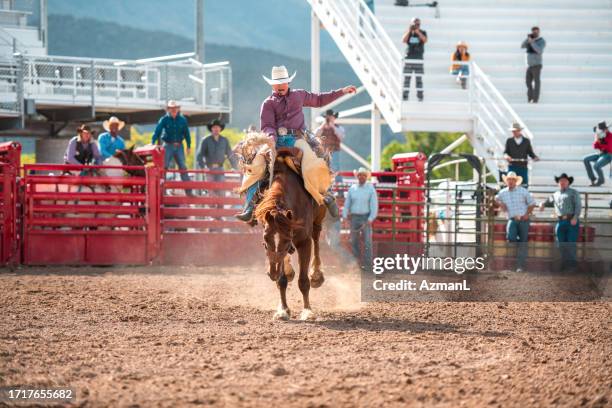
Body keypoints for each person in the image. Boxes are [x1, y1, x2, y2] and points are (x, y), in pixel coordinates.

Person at [234, 65, 356, 222]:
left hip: (297, 138)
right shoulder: (268, 104)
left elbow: (319, 100)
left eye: (283, 82)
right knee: (256, 165)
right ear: (272, 85)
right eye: (277, 83)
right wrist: (271, 138)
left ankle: (327, 195)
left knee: (313, 161)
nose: (280, 86)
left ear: (288, 83)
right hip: (275, 140)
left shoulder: (299, 95)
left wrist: (342, 92)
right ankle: (250, 206)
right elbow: (267, 126)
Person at [495, 172, 537, 272]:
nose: (510, 181)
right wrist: (501, 204)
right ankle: (520, 256)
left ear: (516, 181)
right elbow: (495, 198)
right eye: (509, 179)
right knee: (511, 237)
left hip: (523, 219)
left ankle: (520, 266)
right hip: (512, 219)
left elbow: (532, 203)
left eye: (513, 180)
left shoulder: (523, 191)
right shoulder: (503, 192)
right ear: (507, 181)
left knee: (521, 241)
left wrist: (527, 214)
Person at [539, 173, 582, 270]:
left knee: (571, 243)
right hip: (560, 221)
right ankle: (565, 264)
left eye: (564, 181)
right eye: (560, 181)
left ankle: (572, 266)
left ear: (568, 182)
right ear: (558, 183)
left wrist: (575, 217)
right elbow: (548, 201)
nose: (562, 182)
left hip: (571, 220)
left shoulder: (574, 192)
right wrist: (542, 204)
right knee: (561, 244)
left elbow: (578, 205)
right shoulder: (555, 194)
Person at [151, 100, 193, 196]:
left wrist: (188, 145)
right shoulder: (164, 119)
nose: (174, 110)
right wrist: (152, 142)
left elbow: (186, 133)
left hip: (179, 145)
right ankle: (161, 191)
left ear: (178, 109)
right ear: (169, 109)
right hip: (168, 144)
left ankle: (189, 192)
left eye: (175, 108)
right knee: (164, 167)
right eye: (172, 108)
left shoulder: (182, 120)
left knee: (183, 167)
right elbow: (157, 131)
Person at [342, 167, 378, 270]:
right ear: (357, 176)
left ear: (366, 177)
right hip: (354, 217)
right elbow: (347, 204)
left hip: (366, 217)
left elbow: (374, 206)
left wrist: (370, 219)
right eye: (360, 175)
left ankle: (367, 265)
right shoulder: (352, 189)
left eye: (364, 175)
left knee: (367, 242)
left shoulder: (370, 189)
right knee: (354, 241)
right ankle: (356, 264)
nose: (361, 177)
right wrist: (344, 217)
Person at [196, 119, 236, 189]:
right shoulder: (205, 140)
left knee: (221, 189)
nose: (216, 129)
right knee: (211, 190)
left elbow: (230, 154)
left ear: (220, 128)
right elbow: (199, 155)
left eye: (218, 127)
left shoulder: (224, 140)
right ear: (211, 128)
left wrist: (234, 167)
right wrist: (203, 167)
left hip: (220, 168)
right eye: (214, 127)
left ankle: (222, 200)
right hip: (209, 168)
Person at [503, 122, 539, 187]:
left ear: (519, 131)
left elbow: (530, 152)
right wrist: (506, 156)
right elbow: (505, 152)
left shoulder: (526, 141)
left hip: (523, 167)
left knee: (524, 184)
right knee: (510, 184)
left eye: (515, 131)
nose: (513, 132)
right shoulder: (509, 141)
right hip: (512, 166)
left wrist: (535, 157)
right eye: (513, 131)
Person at [314, 109, 345, 183]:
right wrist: (323, 125)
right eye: (328, 117)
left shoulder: (338, 127)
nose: (329, 119)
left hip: (334, 151)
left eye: (331, 117)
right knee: (323, 168)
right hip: (323, 152)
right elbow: (315, 135)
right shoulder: (322, 128)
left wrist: (332, 126)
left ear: (334, 118)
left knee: (336, 168)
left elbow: (341, 136)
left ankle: (339, 187)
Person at [402, 17, 427, 101]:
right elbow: (404, 40)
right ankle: (405, 96)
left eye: (418, 24)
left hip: (418, 59)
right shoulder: (408, 32)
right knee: (407, 79)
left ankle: (420, 97)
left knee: (419, 80)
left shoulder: (422, 32)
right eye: (415, 24)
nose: (416, 26)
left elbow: (424, 40)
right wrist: (410, 31)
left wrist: (418, 32)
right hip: (409, 59)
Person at [521, 26, 546, 103]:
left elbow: (539, 51)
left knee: (536, 82)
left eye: (536, 32)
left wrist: (532, 42)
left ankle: (535, 99)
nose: (535, 33)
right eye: (533, 31)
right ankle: (530, 98)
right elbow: (522, 46)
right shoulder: (530, 39)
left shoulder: (541, 41)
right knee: (528, 82)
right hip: (530, 65)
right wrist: (528, 39)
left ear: (539, 32)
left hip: (537, 65)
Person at [583, 121, 612, 187]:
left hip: (608, 155)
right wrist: (597, 139)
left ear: (607, 129)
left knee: (596, 166)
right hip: (600, 154)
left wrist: (602, 142)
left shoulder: (610, 136)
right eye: (602, 129)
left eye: (604, 129)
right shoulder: (600, 135)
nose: (603, 130)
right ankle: (592, 179)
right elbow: (595, 146)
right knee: (585, 159)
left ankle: (601, 180)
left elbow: (609, 149)